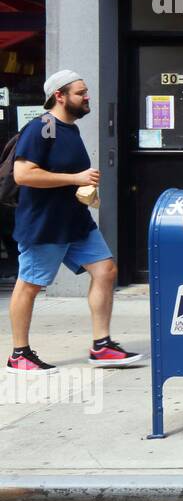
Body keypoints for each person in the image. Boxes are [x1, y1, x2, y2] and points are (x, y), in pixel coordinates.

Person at [7, 70, 140, 374]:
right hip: (45, 224)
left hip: (75, 221)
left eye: (86, 91)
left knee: (106, 270)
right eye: (81, 92)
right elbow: (23, 174)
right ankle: (19, 353)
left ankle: (102, 346)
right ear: (60, 96)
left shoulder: (70, 130)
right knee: (29, 285)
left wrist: (85, 189)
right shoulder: (42, 128)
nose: (87, 97)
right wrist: (75, 178)